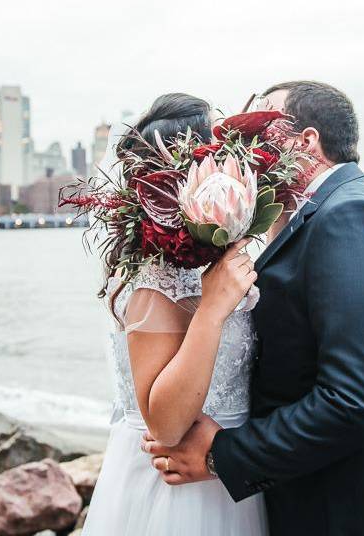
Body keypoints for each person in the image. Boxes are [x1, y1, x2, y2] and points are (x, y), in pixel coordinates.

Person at [143, 81, 364, 535]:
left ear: (307, 141)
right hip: (318, 495)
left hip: (361, 507)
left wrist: (222, 454)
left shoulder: (350, 216)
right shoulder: (312, 215)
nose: (243, 142)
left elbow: (356, 400)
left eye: (260, 125)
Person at [82, 92, 268, 535]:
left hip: (226, 473)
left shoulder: (215, 265)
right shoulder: (154, 283)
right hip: (176, 496)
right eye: (215, 153)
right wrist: (212, 309)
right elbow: (165, 425)